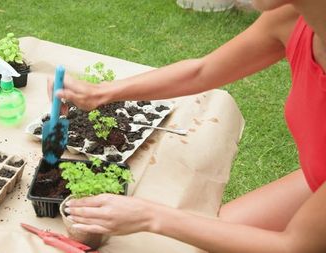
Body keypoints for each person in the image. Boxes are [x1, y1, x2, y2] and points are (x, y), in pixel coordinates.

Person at [48, 0, 326, 252]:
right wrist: (100, 93)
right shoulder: (294, 17)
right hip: (317, 182)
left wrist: (150, 216)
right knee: (208, 238)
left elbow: (294, 246)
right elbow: (202, 70)